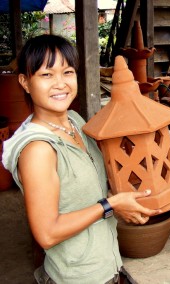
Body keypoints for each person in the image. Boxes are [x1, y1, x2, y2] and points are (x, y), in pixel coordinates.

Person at [2, 34, 160, 284]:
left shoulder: (75, 121)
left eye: (67, 72)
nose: (60, 83)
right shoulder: (38, 150)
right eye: (46, 75)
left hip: (106, 264)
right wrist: (111, 205)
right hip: (79, 277)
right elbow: (47, 233)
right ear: (25, 82)